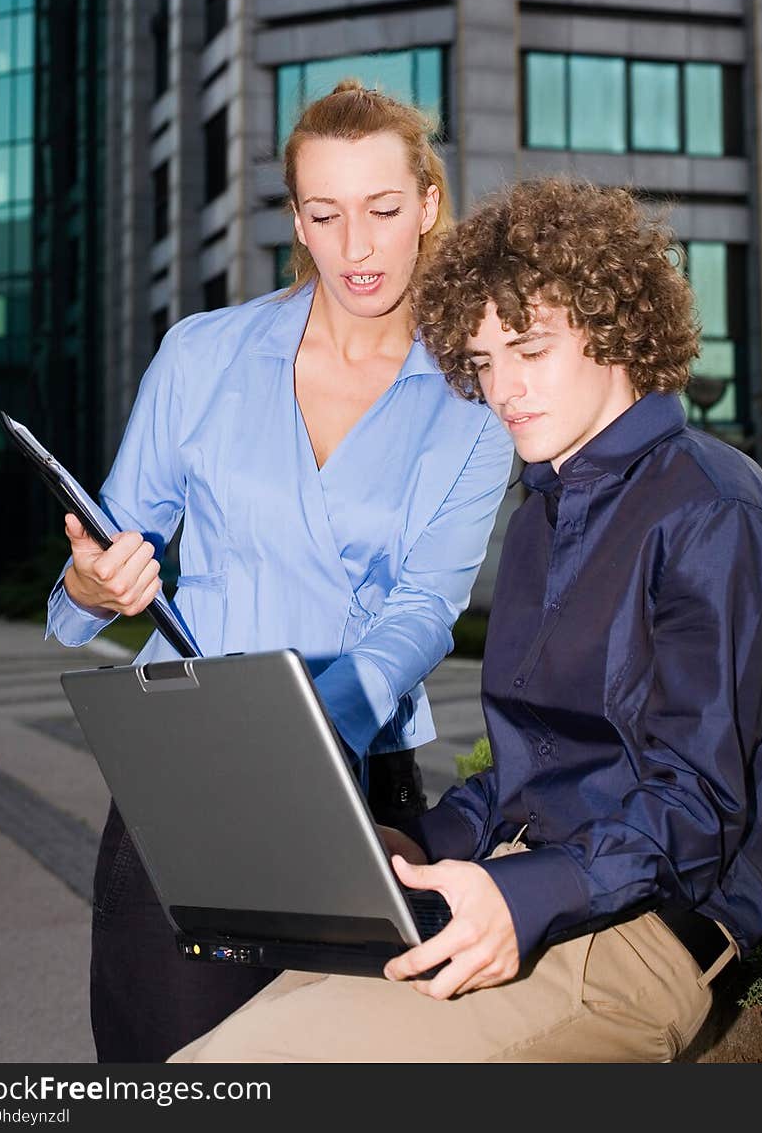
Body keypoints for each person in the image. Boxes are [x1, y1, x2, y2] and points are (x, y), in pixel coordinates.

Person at [168, 176, 762, 1065]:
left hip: (637, 936)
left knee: (240, 1074)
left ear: (614, 326)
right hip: (519, 886)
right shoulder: (543, 512)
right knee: (204, 1062)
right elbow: (534, 769)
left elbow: (694, 812)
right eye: (482, 363)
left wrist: (520, 899)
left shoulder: (718, 514)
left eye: (528, 349)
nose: (503, 389)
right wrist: (417, 846)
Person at [46, 79, 514, 1063]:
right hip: (192, 762)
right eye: (325, 213)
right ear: (296, 218)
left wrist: (313, 729)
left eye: (383, 210)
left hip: (362, 781)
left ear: (426, 203)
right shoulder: (201, 356)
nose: (355, 246)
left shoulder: (475, 401)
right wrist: (94, 586)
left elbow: (428, 604)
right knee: (164, 1067)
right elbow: (95, 565)